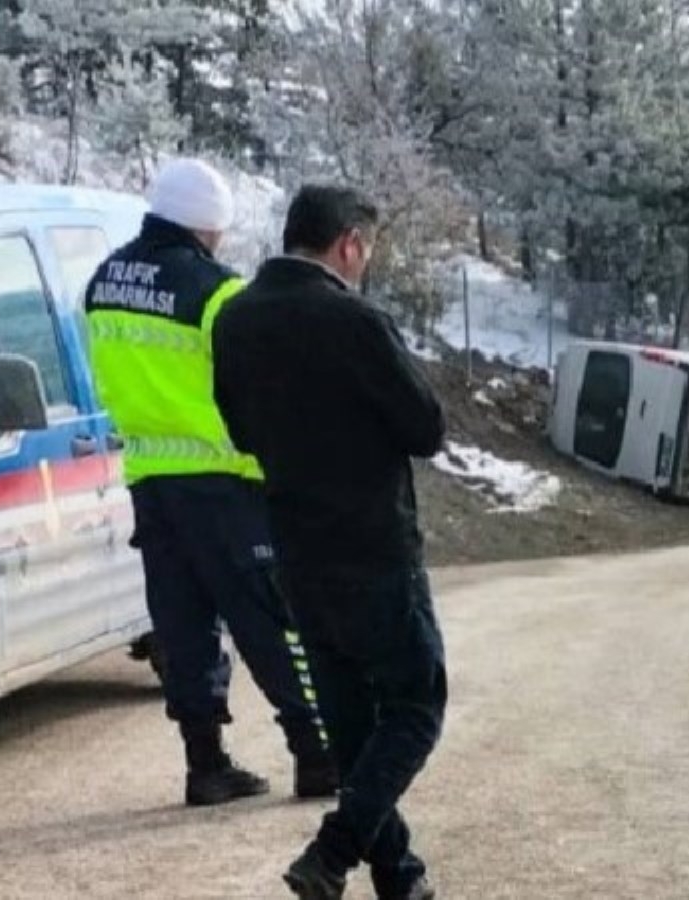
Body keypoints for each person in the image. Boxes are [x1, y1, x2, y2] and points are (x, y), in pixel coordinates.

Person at [213, 185, 446, 900]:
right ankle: (334, 851)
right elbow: (426, 429)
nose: (366, 265)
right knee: (415, 705)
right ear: (348, 243)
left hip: (296, 549)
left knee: (350, 723)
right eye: (367, 252)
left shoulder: (235, 319)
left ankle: (399, 877)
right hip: (373, 548)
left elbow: (241, 431)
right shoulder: (354, 320)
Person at [84, 158, 335, 807]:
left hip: (149, 479)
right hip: (223, 480)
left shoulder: (103, 281)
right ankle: (317, 755)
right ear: (208, 226)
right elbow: (257, 387)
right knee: (269, 621)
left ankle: (206, 765)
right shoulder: (217, 292)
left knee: (183, 624)